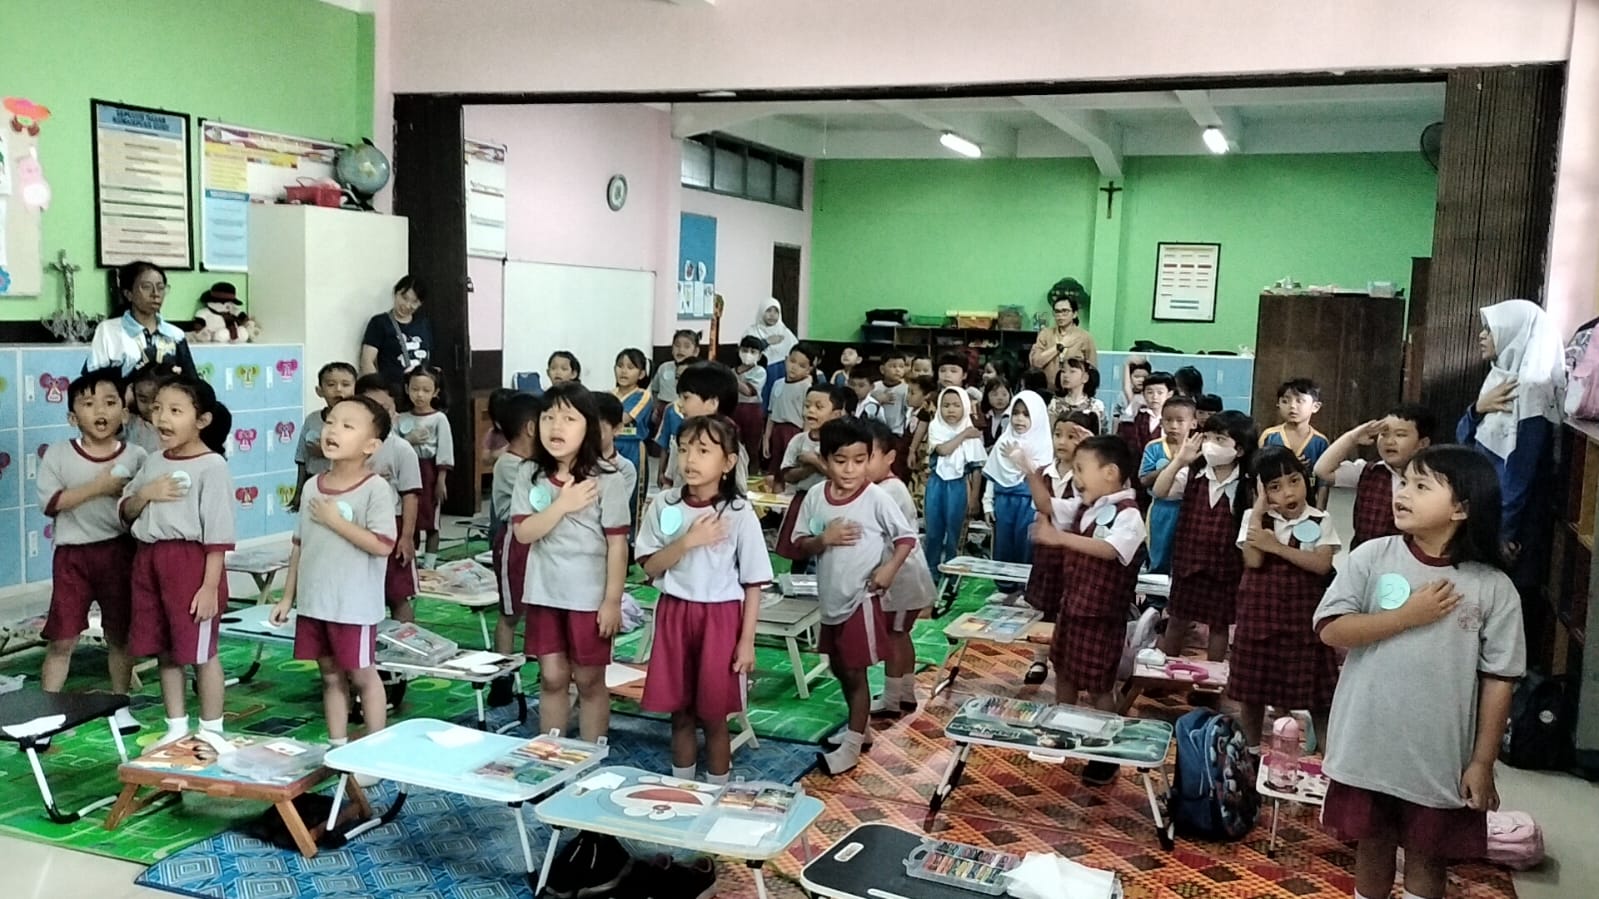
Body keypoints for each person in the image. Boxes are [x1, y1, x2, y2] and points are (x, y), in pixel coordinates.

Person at [1316, 447, 1525, 899]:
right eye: (1404, 482)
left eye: (1421, 486)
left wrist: (1482, 762)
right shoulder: (1372, 556)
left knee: (1429, 855)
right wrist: (1406, 617)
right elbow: (1332, 629)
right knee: (1372, 845)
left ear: (1462, 508)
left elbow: (1499, 680)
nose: (1403, 493)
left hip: (1438, 755)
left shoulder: (1493, 588)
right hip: (1369, 744)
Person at [637, 416, 772, 785]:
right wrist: (687, 542)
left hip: (721, 619)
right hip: (674, 615)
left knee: (714, 716)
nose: (690, 459)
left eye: (703, 451)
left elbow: (754, 582)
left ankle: (717, 793)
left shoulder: (739, 512)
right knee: (680, 712)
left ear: (728, 462)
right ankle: (682, 789)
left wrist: (746, 641)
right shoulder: (664, 504)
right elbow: (649, 566)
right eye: (683, 450)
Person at [270, 395, 397, 752]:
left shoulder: (375, 488)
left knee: (362, 674)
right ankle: (337, 746)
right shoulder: (313, 485)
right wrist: (287, 597)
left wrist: (336, 521)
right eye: (330, 422)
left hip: (353, 606)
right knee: (329, 676)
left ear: (371, 445)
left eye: (347, 426)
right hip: (315, 603)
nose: (333, 431)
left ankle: (374, 749)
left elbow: (383, 544)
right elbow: (300, 545)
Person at [791, 418, 917, 775]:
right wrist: (823, 540)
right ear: (825, 460)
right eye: (841, 460)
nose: (851, 470)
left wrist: (888, 569)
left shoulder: (876, 497)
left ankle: (852, 745)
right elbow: (800, 542)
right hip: (831, 599)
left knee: (854, 671)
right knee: (838, 667)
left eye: (860, 461)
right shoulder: (816, 496)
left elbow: (906, 537)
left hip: (861, 599)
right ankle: (858, 730)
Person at [511, 383, 632, 741]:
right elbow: (523, 533)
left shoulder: (607, 477)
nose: (556, 426)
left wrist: (612, 601)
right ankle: (552, 753)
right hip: (544, 591)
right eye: (548, 417)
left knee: (589, 679)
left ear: (588, 426)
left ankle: (590, 754)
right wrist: (562, 505)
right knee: (551, 677)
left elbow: (618, 545)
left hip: (588, 596)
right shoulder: (529, 473)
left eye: (568, 418)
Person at [119, 375, 234, 746]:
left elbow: (217, 533)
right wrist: (147, 493)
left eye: (175, 410)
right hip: (149, 560)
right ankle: (176, 726)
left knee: (201, 652)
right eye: (157, 409)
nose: (162, 418)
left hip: (191, 564)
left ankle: (212, 729)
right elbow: (126, 510)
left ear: (202, 420)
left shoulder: (212, 466)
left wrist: (209, 586)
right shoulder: (153, 461)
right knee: (166, 649)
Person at [37, 368, 147, 732]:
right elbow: (52, 503)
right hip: (73, 558)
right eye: (88, 403)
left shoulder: (137, 455)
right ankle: (45, 710)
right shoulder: (58, 455)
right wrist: (100, 486)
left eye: (110, 402)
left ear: (125, 413)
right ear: (73, 417)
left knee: (120, 634)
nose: (101, 411)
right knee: (62, 638)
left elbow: (142, 505)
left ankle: (120, 704)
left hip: (120, 554)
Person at [1228, 446, 1340, 751]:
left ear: (1305, 479)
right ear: (1261, 491)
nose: (1288, 492)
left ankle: (1330, 762)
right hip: (1259, 621)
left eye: (1294, 481)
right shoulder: (1255, 518)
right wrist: (1258, 512)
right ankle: (1251, 753)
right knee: (1251, 695)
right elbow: (1253, 561)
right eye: (1275, 487)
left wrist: (1276, 547)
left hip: (1303, 622)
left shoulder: (1320, 519)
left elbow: (1321, 565)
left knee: (1320, 700)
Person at [1039, 436, 1145, 738]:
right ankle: (1060, 732)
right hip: (1072, 607)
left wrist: (1060, 538)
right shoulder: (1087, 507)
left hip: (1102, 616)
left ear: (1110, 473)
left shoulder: (1129, 514)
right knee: (1064, 674)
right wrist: (1029, 473)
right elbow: (1045, 505)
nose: (1076, 477)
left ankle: (1104, 748)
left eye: (1081, 469)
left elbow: (1110, 549)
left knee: (1099, 687)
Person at [1458, 299, 1566, 576]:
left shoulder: (1531, 391)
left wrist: (1501, 533)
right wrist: (1477, 409)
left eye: (1490, 330)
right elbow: (1463, 441)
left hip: (1510, 525)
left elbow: (1519, 475)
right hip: (1484, 508)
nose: (1482, 336)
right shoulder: (1500, 377)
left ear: (1515, 333)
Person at [1155, 411, 1257, 662]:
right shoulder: (1193, 474)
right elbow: (1159, 490)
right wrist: (1180, 460)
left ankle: (1213, 677)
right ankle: (1164, 672)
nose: (1210, 445)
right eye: (1207, 437)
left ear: (1239, 450)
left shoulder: (1247, 484)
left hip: (1225, 568)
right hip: (1188, 564)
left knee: (1219, 626)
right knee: (1177, 619)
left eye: (1220, 439)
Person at [1016, 410, 1097, 685]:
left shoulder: (1089, 477)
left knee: (1073, 609)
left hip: (1077, 554)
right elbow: (1041, 510)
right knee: (1045, 608)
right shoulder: (1044, 473)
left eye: (1072, 436)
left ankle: (1072, 662)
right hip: (1048, 555)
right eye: (1058, 434)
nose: (1062, 442)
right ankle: (1039, 659)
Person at [864, 419, 935, 719]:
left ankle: (892, 699)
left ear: (890, 457)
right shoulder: (884, 487)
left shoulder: (887, 491)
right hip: (905, 579)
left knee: (895, 637)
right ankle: (905, 693)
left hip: (902, 580)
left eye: (867, 457)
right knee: (901, 635)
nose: (859, 466)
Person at [1316, 404, 1436, 549]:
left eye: (1400, 435)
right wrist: (1352, 437)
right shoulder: (1368, 471)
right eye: (1384, 434)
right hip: (1364, 555)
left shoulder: (1433, 480)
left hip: (1409, 556)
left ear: (1423, 443)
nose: (1389, 441)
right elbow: (1322, 470)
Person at [357, 375, 422, 623]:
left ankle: (407, 641)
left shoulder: (401, 449)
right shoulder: (351, 447)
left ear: (394, 409)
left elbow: (410, 495)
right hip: (358, 527)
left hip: (392, 526)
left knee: (397, 594)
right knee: (362, 593)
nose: (378, 414)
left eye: (384, 407)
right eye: (370, 407)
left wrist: (406, 537)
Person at [488, 392, 539, 706]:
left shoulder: (532, 464)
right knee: (510, 613)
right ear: (532, 428)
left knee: (538, 606)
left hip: (537, 541)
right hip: (514, 543)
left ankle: (538, 663)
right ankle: (501, 676)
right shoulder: (510, 465)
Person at [981, 391, 1053, 593]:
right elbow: (993, 474)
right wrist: (988, 503)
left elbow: (1041, 476)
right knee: (1003, 543)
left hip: (1028, 503)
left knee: (1026, 544)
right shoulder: (1004, 441)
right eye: (1016, 413)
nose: (1019, 419)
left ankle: (1025, 587)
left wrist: (1021, 459)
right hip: (1003, 501)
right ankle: (1004, 587)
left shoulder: (1042, 444)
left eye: (1026, 414)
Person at [89, 261, 195, 378]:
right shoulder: (108, 331)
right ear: (128, 294)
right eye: (146, 287)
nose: (155, 294)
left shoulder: (175, 335)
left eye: (160, 288)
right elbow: (95, 380)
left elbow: (192, 381)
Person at [923, 386, 985, 575]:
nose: (951, 410)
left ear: (965, 407)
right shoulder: (936, 427)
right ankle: (931, 572)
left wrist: (974, 498)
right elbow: (943, 450)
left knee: (955, 532)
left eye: (957, 405)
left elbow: (976, 468)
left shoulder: (972, 431)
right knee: (933, 531)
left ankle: (953, 575)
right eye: (946, 405)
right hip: (937, 484)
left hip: (960, 485)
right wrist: (964, 434)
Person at [395, 368, 453, 569]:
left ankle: (429, 564)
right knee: (410, 517)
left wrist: (441, 480)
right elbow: (392, 444)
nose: (419, 395)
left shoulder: (439, 419)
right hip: (406, 470)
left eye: (426, 390)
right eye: (415, 389)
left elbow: (445, 449)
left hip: (429, 472)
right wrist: (408, 441)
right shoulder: (400, 418)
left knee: (431, 520)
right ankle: (411, 561)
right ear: (407, 389)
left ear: (435, 392)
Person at [660, 362, 748, 490]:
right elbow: (670, 482)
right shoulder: (681, 439)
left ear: (712, 403)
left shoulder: (730, 445)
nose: (679, 404)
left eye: (686, 397)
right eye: (683, 450)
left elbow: (739, 490)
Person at [1140, 395, 1198, 574]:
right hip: (1161, 507)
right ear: (1161, 422)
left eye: (1180, 421)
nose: (1173, 426)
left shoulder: (1198, 448)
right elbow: (1144, 479)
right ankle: (1155, 586)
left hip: (1188, 507)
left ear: (1193, 423)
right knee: (1158, 551)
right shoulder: (1154, 447)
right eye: (1168, 420)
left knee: (1182, 552)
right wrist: (1171, 466)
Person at [293, 362, 358, 510]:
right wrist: (298, 492)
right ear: (319, 391)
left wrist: (324, 451)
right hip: (313, 482)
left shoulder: (359, 421)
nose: (338, 389)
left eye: (346, 384)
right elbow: (301, 458)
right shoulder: (312, 419)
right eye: (331, 384)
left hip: (345, 485)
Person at [1260, 378, 1331, 506]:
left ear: (1315, 407)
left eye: (1300, 401)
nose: (1292, 406)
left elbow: (1323, 483)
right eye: (1285, 401)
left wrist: (1320, 510)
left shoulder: (1320, 442)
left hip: (1307, 505)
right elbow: (1258, 473)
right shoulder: (1269, 436)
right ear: (1278, 404)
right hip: (1274, 505)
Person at [359, 275, 432, 388]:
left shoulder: (423, 324)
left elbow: (427, 357)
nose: (407, 305)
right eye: (404, 297)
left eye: (414, 301)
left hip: (418, 390)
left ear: (420, 303)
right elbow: (367, 361)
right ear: (395, 293)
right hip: (392, 389)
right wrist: (378, 389)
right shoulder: (380, 322)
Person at [763, 343, 819, 476]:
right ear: (786, 359)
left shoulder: (806, 387)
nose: (794, 367)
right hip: (777, 430)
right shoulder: (777, 384)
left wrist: (804, 440)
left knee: (790, 467)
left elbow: (807, 418)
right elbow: (771, 413)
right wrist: (766, 438)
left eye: (801, 366)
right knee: (775, 468)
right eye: (792, 361)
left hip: (795, 431)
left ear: (809, 369)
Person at [610, 348, 653, 519]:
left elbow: (624, 418)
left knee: (633, 493)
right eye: (620, 366)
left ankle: (632, 532)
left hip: (632, 447)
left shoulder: (642, 395)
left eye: (630, 367)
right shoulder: (610, 394)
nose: (623, 371)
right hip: (610, 445)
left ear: (641, 374)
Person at [1028, 285, 1099, 384]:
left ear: (1074, 314)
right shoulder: (1045, 334)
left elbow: (1092, 371)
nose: (1060, 316)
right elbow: (1036, 363)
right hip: (1047, 388)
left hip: (1074, 389)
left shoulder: (1085, 337)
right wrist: (1059, 346)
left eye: (1065, 311)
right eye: (1057, 312)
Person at [596, 393, 641, 528]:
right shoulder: (572, 460)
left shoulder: (625, 469)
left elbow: (614, 513)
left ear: (617, 429)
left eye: (597, 429)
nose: (589, 434)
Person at [649, 329, 700, 436]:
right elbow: (655, 390)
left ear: (695, 351)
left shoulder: (697, 370)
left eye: (686, 346)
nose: (681, 349)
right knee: (661, 436)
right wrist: (655, 407)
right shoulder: (664, 367)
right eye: (677, 345)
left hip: (686, 410)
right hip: (664, 408)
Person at [1118, 370, 1171, 461]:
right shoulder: (1135, 417)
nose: (1155, 397)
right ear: (1143, 394)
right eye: (1150, 392)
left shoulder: (1172, 419)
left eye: (1160, 393)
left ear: (1169, 394)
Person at [732, 336, 769, 462]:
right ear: (739, 351)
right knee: (734, 443)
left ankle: (753, 469)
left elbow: (749, 392)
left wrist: (730, 378)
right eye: (745, 350)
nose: (748, 354)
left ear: (759, 356)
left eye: (753, 352)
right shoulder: (732, 371)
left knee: (752, 446)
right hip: (734, 408)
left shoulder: (760, 371)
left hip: (752, 410)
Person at [1049, 358, 1107, 431]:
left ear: (1085, 378)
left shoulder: (1096, 406)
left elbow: (1101, 434)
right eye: (1063, 371)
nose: (1066, 375)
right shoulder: (1055, 404)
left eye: (1072, 371)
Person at [122, 364, 166, 455]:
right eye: (143, 400)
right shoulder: (130, 422)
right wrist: (126, 401)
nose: (150, 406)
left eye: (155, 400)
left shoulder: (177, 427)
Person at [746, 298, 798, 366]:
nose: (772, 315)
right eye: (768, 310)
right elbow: (746, 352)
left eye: (776, 311)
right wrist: (766, 342)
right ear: (762, 311)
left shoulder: (785, 332)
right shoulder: (751, 331)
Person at [1111, 356, 1152, 426]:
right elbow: (1126, 387)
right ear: (1129, 377)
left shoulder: (1150, 396)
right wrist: (1127, 364)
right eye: (1137, 377)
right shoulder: (1127, 396)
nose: (1141, 380)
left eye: (1145, 377)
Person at [979, 377, 1013, 448]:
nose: (1000, 398)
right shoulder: (984, 416)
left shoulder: (1012, 417)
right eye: (995, 394)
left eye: (1004, 394)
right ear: (987, 396)